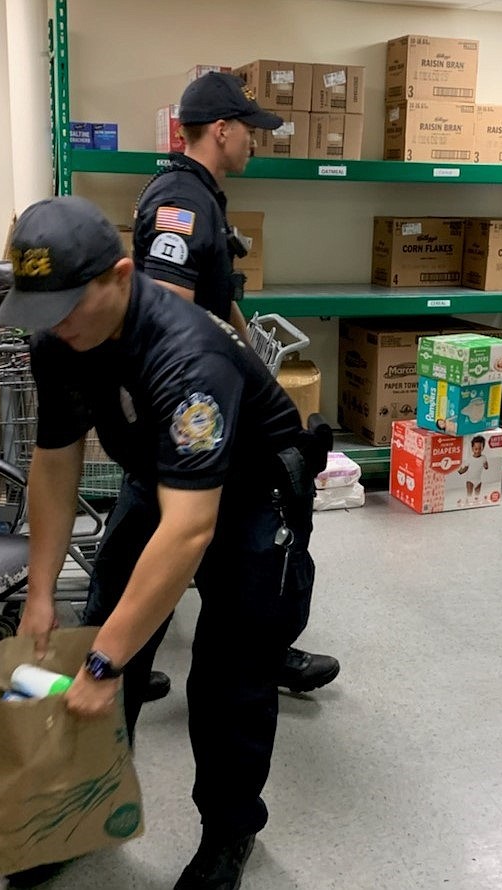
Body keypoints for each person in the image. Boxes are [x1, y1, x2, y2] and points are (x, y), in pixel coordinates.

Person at [0, 195, 332, 889]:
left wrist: (105, 663)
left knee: (228, 679)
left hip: (248, 499)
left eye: (66, 306)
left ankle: (229, 832)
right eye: (41, 309)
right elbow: (54, 463)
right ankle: (83, 808)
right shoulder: (56, 334)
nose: (53, 325)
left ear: (119, 276)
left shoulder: (187, 355)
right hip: (160, 480)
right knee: (98, 635)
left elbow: (190, 531)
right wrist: (39, 598)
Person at [133, 70, 339, 694]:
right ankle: (248, 651)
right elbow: (169, 310)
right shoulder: (183, 200)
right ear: (220, 130)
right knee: (254, 523)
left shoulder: (199, 193)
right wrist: (230, 388)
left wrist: (253, 363)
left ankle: (128, 661)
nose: (256, 140)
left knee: (162, 532)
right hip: (195, 408)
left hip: (207, 397)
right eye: (249, 129)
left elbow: (216, 300)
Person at [458, 434, 488, 504]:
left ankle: (476, 501)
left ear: (483, 448)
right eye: (476, 449)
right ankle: (468, 501)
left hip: (478, 480)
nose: (477, 451)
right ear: (472, 448)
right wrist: (460, 471)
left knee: (477, 493)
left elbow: (486, 466)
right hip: (470, 480)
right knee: (469, 493)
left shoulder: (484, 457)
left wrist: (486, 466)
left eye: (480, 449)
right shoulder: (469, 459)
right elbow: (465, 468)